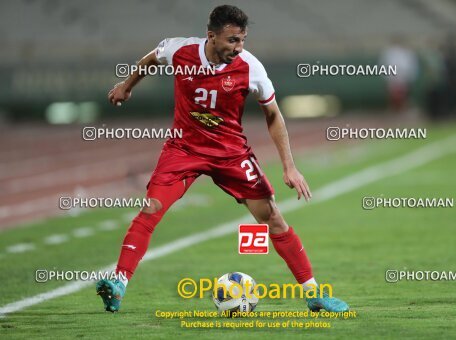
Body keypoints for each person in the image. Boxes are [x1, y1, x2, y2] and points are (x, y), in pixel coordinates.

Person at [97, 5, 349, 313]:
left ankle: (313, 293)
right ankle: (118, 284)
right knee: (151, 208)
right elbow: (151, 59)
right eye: (232, 40)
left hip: (230, 154)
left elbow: (273, 114)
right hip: (184, 150)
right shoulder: (180, 50)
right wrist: (126, 86)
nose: (238, 48)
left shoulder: (250, 67)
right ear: (211, 36)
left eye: (242, 40)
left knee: (272, 218)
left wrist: (289, 166)